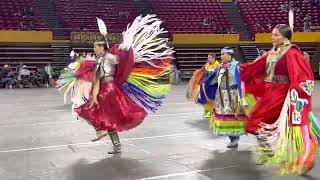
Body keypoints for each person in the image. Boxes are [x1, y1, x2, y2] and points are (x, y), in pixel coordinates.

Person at [57, 15, 173, 154]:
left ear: (102, 47)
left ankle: (101, 130)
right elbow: (96, 80)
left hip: (110, 90)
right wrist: (93, 95)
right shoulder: (100, 60)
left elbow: (121, 59)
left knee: (93, 112)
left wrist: (117, 50)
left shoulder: (109, 57)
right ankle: (114, 143)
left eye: (96, 46)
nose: (94, 48)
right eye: (94, 46)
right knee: (104, 116)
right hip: (104, 88)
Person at [240, 24, 318, 175]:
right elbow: (256, 66)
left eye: (275, 35)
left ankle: (306, 159)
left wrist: (296, 94)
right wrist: (240, 68)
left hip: (285, 95)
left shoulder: (292, 52)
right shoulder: (272, 53)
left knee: (294, 129)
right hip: (270, 94)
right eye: (272, 35)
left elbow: (303, 75)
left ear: (285, 37)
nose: (272, 37)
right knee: (254, 122)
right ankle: (267, 150)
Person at [199, 47, 246, 148]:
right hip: (221, 96)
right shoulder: (220, 67)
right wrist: (205, 85)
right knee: (224, 118)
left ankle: (235, 137)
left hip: (233, 96)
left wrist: (242, 97)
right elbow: (213, 81)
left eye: (223, 54)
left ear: (230, 55)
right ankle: (232, 138)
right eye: (221, 54)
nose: (221, 56)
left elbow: (242, 82)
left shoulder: (237, 66)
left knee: (234, 117)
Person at [192, 53, 220, 118]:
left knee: (211, 99)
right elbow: (202, 73)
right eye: (208, 57)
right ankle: (206, 111)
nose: (208, 59)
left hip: (213, 85)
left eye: (209, 57)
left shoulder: (217, 65)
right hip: (205, 85)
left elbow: (215, 76)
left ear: (213, 58)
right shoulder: (207, 64)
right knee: (204, 98)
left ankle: (212, 112)